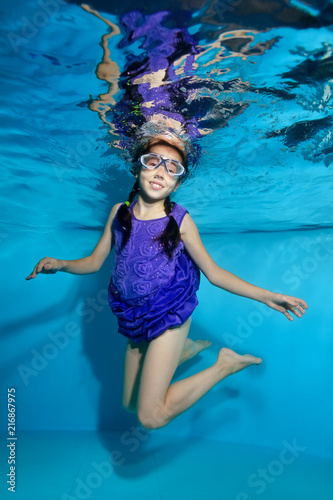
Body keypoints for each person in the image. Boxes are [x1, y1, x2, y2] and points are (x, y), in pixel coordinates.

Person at [25, 131, 308, 431]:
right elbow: (94, 262)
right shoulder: (118, 213)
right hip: (134, 315)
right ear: (137, 167)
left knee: (150, 417)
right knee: (130, 404)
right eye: (153, 162)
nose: (161, 171)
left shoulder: (180, 220)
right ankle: (181, 351)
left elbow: (214, 273)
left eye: (173, 167)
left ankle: (224, 365)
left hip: (169, 310)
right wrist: (61, 264)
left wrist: (266, 296)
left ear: (178, 181)